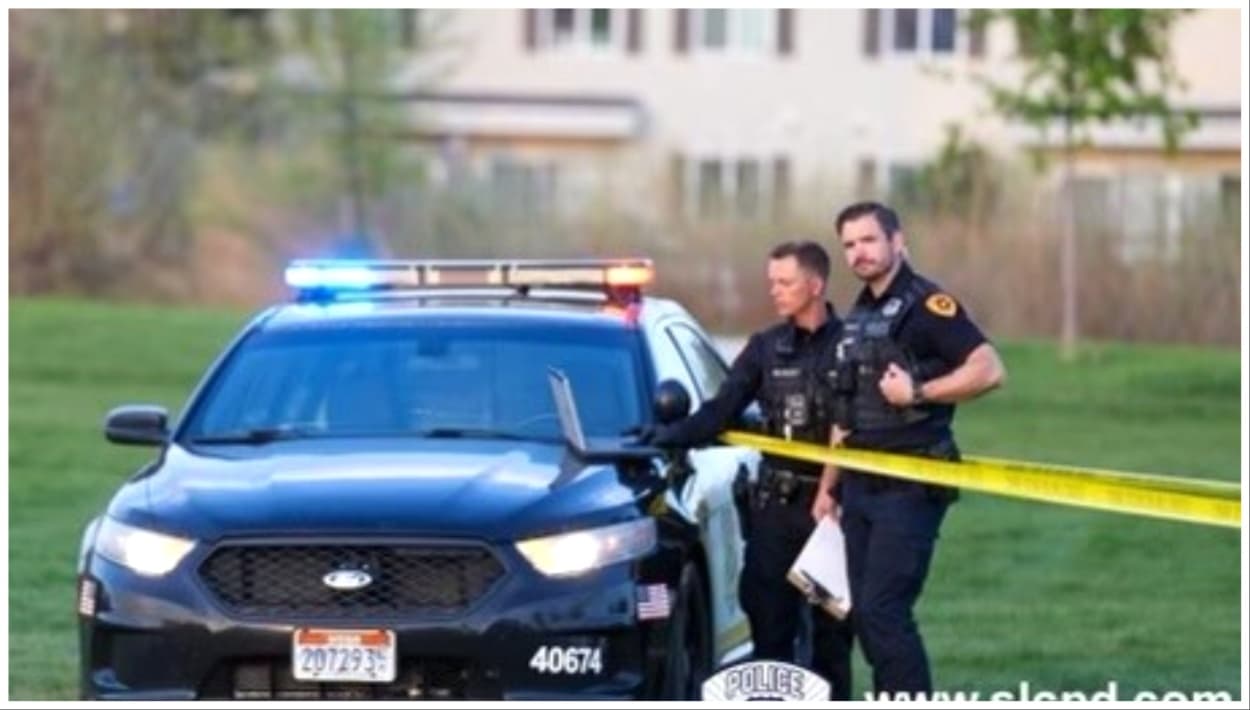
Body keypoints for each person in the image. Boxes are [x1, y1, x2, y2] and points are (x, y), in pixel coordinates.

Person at [812, 201, 1006, 697]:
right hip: (858, 486)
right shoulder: (860, 315)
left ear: (898, 242)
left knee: (884, 611)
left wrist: (918, 393)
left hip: (911, 484)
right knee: (862, 614)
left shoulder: (927, 306)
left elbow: (988, 369)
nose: (859, 252)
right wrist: (828, 486)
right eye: (850, 244)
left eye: (869, 240)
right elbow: (846, 413)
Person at [649, 240, 854, 699]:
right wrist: (664, 435)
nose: (775, 292)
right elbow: (721, 409)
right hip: (776, 513)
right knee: (770, 633)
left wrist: (834, 490)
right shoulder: (765, 348)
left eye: (785, 282)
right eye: (771, 283)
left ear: (815, 284)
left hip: (832, 518)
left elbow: (862, 427)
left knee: (830, 638)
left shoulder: (852, 347)